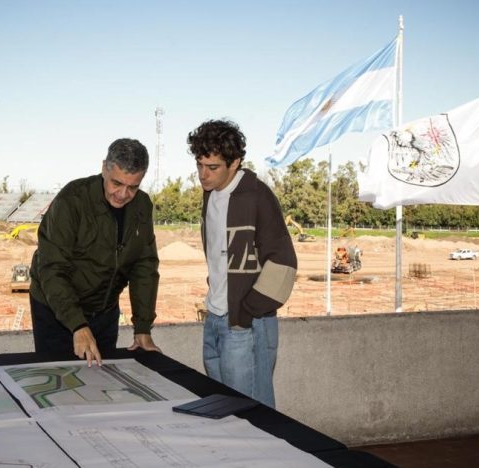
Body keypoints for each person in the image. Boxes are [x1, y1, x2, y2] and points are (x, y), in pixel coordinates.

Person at [187, 119, 297, 407]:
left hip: (246, 324)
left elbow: (283, 262)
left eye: (212, 168)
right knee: (223, 409)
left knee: (251, 414)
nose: (203, 175)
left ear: (234, 162)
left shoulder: (257, 196)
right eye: (199, 165)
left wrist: (247, 312)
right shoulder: (210, 195)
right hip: (214, 318)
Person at [29, 138, 161, 366]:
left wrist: (142, 328)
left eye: (133, 187)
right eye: (116, 183)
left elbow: (144, 267)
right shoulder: (72, 200)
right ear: (104, 168)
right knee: (59, 382)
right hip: (56, 311)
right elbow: (52, 268)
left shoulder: (142, 206)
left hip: (104, 311)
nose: (123, 194)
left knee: (100, 384)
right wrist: (77, 325)